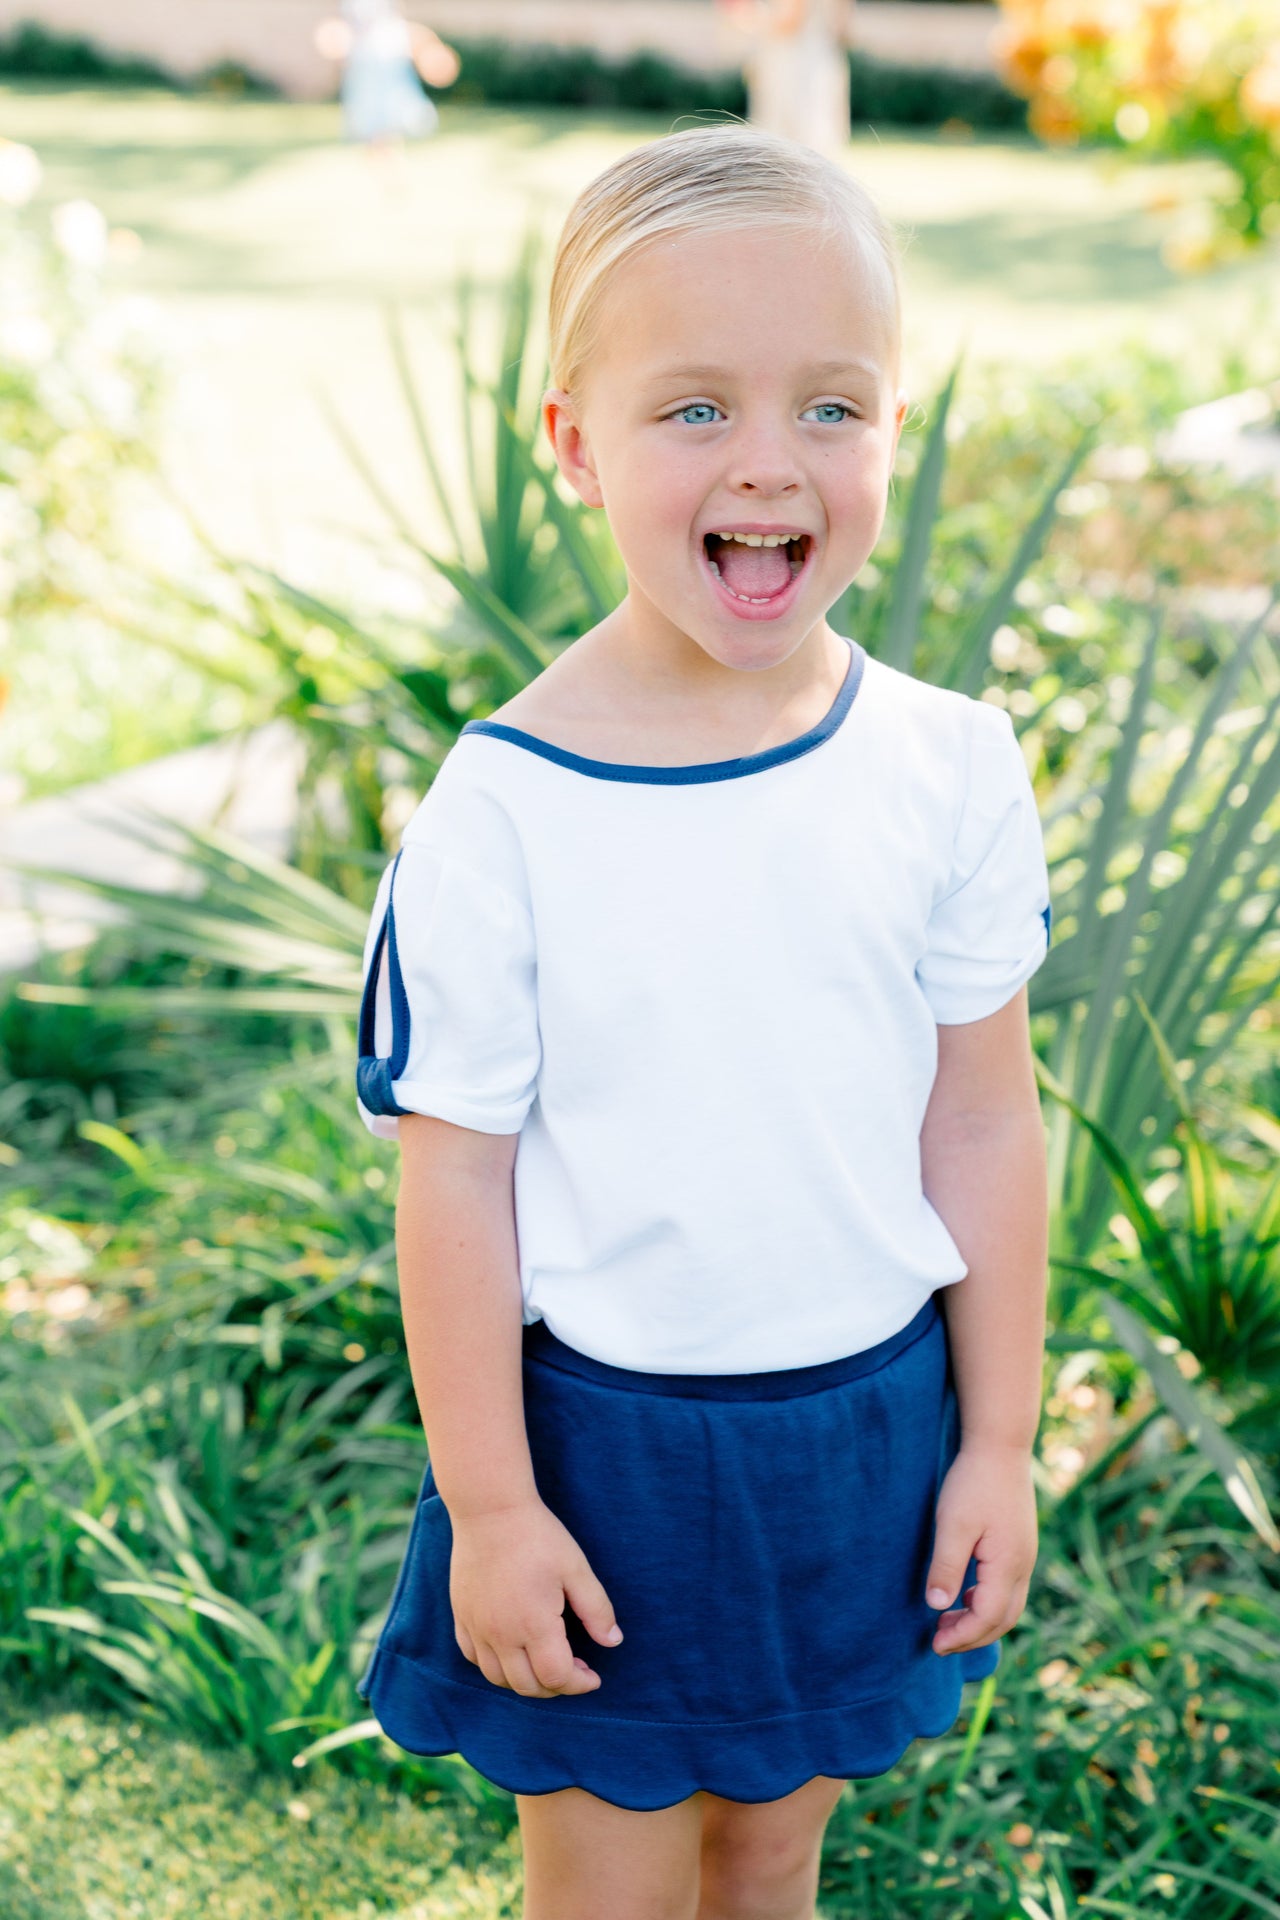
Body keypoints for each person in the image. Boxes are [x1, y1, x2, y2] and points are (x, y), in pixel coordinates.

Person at [353, 124, 1052, 1920]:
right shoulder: (506, 811)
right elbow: (456, 1183)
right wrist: (494, 1508)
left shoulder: (949, 765)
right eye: (693, 409)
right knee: (613, 1886)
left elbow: (983, 1119)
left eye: (831, 405)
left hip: (865, 1438)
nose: (769, 460)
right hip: (609, 1464)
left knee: (772, 1859)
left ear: (893, 423)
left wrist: (995, 1440)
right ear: (574, 443)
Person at [315, 0, 458, 153]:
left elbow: (395, 21)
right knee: (372, 117)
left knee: (390, 113)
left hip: (388, 53)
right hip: (364, 58)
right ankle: (382, 154)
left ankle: (388, 153)